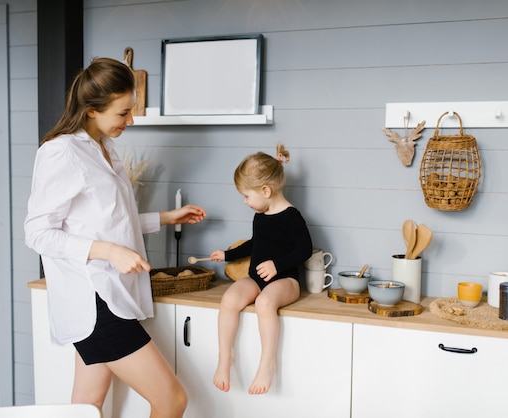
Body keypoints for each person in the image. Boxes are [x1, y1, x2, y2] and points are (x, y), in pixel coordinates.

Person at [24, 57, 206, 417]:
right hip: (94, 302)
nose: (131, 121)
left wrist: (166, 218)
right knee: (172, 400)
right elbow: (38, 233)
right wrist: (106, 251)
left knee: (86, 406)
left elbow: (109, 221)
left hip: (109, 296)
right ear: (91, 110)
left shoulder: (104, 147)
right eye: (123, 113)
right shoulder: (61, 152)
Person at [210, 143, 312, 395]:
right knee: (230, 297)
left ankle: (267, 364)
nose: (245, 202)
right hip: (256, 278)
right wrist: (227, 255)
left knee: (265, 303)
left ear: (265, 190)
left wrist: (278, 265)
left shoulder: (292, 216)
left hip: (286, 281)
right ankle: (225, 358)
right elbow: (256, 244)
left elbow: (305, 250)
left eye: (246, 196)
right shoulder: (261, 215)